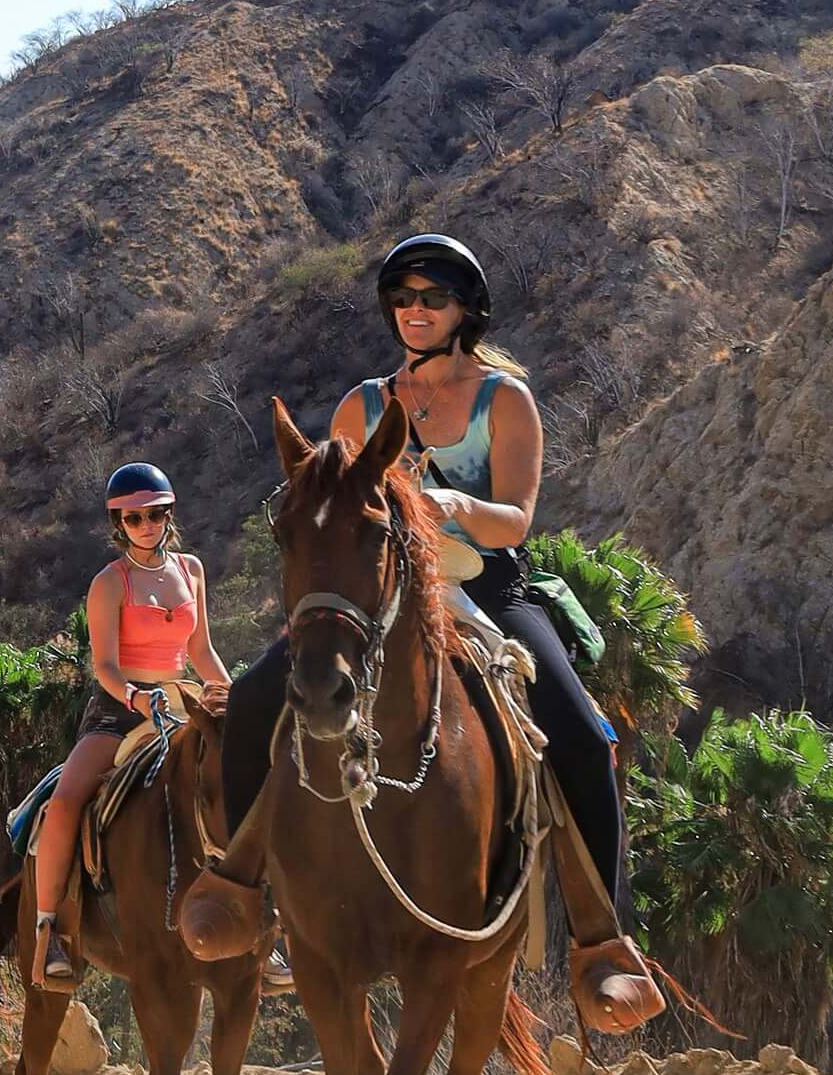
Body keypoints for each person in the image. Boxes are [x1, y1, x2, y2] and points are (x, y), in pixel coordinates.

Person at [220, 233, 660, 1034]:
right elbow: (340, 508)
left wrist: (454, 506)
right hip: (388, 593)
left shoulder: (505, 399)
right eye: (404, 299)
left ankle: (603, 942)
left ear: (466, 310)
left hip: (488, 583)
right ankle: (242, 891)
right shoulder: (361, 404)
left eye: (434, 299)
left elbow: (520, 518)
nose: (415, 312)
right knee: (254, 700)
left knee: (579, 733)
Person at [28, 463, 233, 990]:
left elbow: (200, 649)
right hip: (120, 708)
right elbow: (105, 666)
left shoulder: (192, 570)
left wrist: (232, 694)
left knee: (248, 778)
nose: (147, 525)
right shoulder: (109, 582)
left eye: (156, 514)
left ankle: (269, 927)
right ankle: (52, 929)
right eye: (134, 517)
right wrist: (137, 697)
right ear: (118, 523)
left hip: (183, 698)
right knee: (69, 798)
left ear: (170, 515)